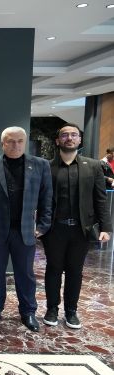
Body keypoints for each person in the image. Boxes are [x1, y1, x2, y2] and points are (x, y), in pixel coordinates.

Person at [41, 123, 112, 329]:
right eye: (65, 135)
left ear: (80, 140)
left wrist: (105, 228)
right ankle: (52, 309)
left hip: (82, 230)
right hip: (54, 229)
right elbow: (39, 199)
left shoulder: (93, 166)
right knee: (53, 269)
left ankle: (71, 311)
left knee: (75, 270)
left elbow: (100, 199)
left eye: (74, 135)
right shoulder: (46, 167)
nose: (69, 138)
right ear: (58, 141)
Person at [0, 126, 52, 332]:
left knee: (26, 274)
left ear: (25, 142)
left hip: (25, 231)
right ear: (2, 143)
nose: (15, 145)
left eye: (20, 141)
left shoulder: (40, 165)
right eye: (10, 141)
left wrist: (43, 225)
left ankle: (28, 311)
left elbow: (47, 197)